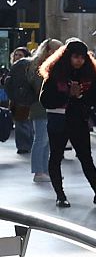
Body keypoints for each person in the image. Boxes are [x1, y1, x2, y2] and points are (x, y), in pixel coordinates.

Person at [38, 39, 96, 208]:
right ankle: (60, 195)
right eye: (76, 57)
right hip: (59, 120)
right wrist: (68, 95)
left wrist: (82, 97)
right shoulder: (55, 75)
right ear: (68, 56)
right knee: (56, 157)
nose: (79, 61)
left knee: (86, 158)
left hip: (78, 121)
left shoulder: (89, 74)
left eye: (82, 57)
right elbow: (45, 100)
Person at [23, 40, 61, 183]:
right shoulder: (39, 67)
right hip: (40, 108)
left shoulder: (39, 65)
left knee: (46, 141)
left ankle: (44, 170)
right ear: (50, 51)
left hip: (44, 107)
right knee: (41, 140)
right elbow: (40, 88)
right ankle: (38, 171)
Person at [9, 45, 36, 155]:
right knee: (24, 122)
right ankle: (26, 145)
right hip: (18, 99)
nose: (17, 57)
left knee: (23, 123)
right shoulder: (14, 68)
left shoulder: (24, 68)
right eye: (16, 54)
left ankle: (24, 146)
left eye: (20, 55)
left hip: (23, 98)